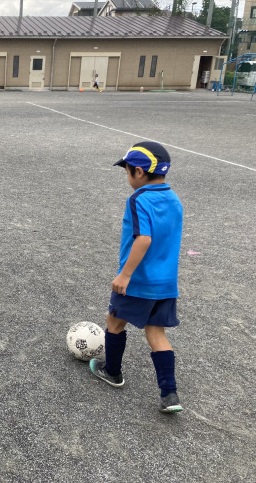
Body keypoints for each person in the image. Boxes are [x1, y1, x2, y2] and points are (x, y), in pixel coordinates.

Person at [89, 142, 184, 414]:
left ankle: (113, 372)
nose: (127, 177)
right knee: (156, 333)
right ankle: (170, 394)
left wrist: (125, 274)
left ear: (139, 173)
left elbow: (144, 239)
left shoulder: (139, 199)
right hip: (165, 283)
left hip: (139, 281)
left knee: (114, 321)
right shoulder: (174, 199)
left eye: (127, 171)